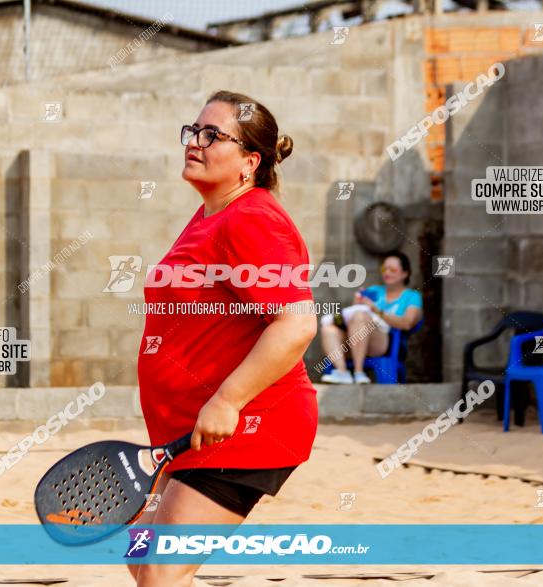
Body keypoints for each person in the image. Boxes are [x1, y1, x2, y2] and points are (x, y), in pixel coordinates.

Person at [132, 90, 317, 587]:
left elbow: (297, 323)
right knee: (139, 551)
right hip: (188, 433)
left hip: (246, 430)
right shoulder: (212, 213)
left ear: (249, 162)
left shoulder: (252, 218)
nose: (196, 141)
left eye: (213, 135)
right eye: (193, 131)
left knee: (160, 572)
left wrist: (229, 400)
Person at [319, 252, 423, 384]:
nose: (387, 272)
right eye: (384, 268)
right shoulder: (374, 291)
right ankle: (342, 371)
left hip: (384, 342)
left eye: (393, 269)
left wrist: (374, 310)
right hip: (356, 339)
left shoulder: (412, 296)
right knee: (329, 329)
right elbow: (355, 316)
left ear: (405, 273)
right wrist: (357, 304)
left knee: (361, 315)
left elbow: (407, 323)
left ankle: (358, 372)